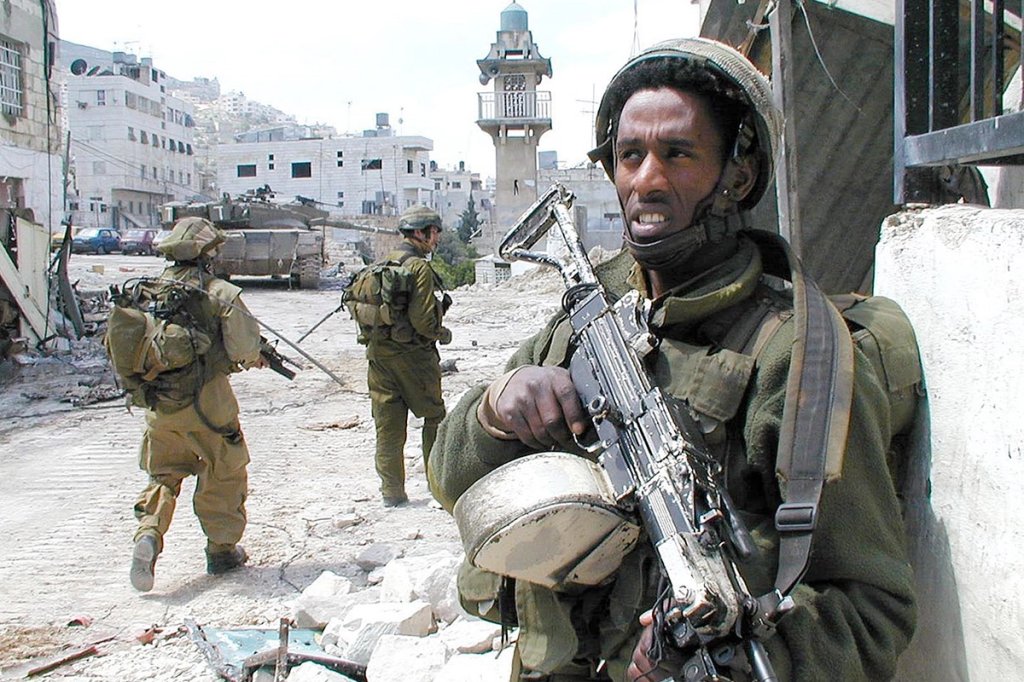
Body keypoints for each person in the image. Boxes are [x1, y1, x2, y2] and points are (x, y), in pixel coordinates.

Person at [429, 38, 916, 681]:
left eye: (677, 154)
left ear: (737, 176)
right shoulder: (591, 315)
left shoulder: (795, 357)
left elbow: (874, 609)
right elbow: (449, 478)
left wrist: (742, 658)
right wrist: (495, 411)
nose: (647, 180)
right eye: (631, 155)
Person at [129, 217, 266, 592]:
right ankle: (222, 551)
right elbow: (243, 350)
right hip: (209, 404)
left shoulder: (145, 291)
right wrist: (251, 358)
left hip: (160, 404)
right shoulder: (221, 293)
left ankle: (149, 534)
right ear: (208, 254)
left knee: (164, 475)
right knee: (224, 470)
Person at [365, 205, 450, 507]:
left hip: (378, 357)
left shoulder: (383, 262)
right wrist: (443, 334)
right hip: (413, 358)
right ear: (419, 233)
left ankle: (392, 493)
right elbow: (424, 322)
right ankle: (439, 486)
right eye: (434, 231)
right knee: (434, 418)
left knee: (388, 426)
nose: (437, 237)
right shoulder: (419, 268)